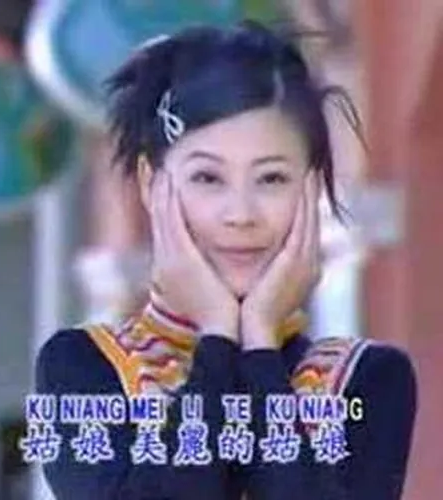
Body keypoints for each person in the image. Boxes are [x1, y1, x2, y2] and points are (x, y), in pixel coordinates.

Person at [35, 20, 417, 500]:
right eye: (208, 178)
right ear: (152, 184)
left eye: (271, 179)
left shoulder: (369, 378)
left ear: (311, 187)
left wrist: (259, 342)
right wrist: (217, 334)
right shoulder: (83, 367)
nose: (241, 214)